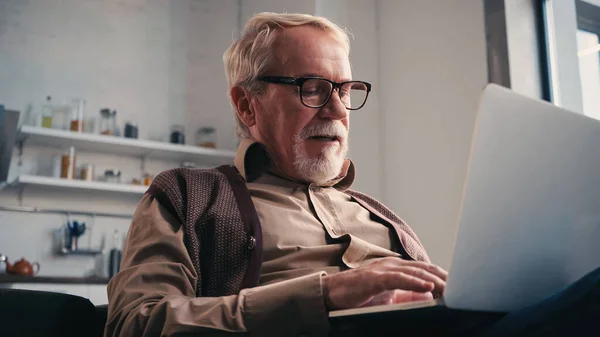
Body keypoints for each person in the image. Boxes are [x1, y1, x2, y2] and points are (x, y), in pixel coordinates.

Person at [105, 12, 600, 337]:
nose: (338, 109)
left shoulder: (378, 214)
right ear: (246, 104)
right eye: (312, 87)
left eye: (346, 89)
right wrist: (327, 292)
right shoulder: (190, 196)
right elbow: (135, 323)